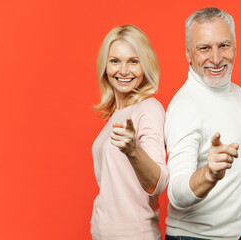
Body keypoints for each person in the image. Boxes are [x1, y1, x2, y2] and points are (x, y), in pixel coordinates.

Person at [164, 7, 241, 240]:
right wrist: (210, 174)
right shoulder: (186, 106)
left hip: (234, 235)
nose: (215, 58)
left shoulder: (236, 93)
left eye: (223, 45)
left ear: (235, 46)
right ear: (188, 54)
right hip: (193, 237)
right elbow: (176, 193)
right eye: (204, 48)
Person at [91, 25, 168, 240]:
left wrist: (133, 150)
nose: (123, 71)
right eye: (115, 61)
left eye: (133, 61)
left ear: (145, 66)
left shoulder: (148, 109)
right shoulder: (117, 113)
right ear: (104, 67)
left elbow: (159, 182)